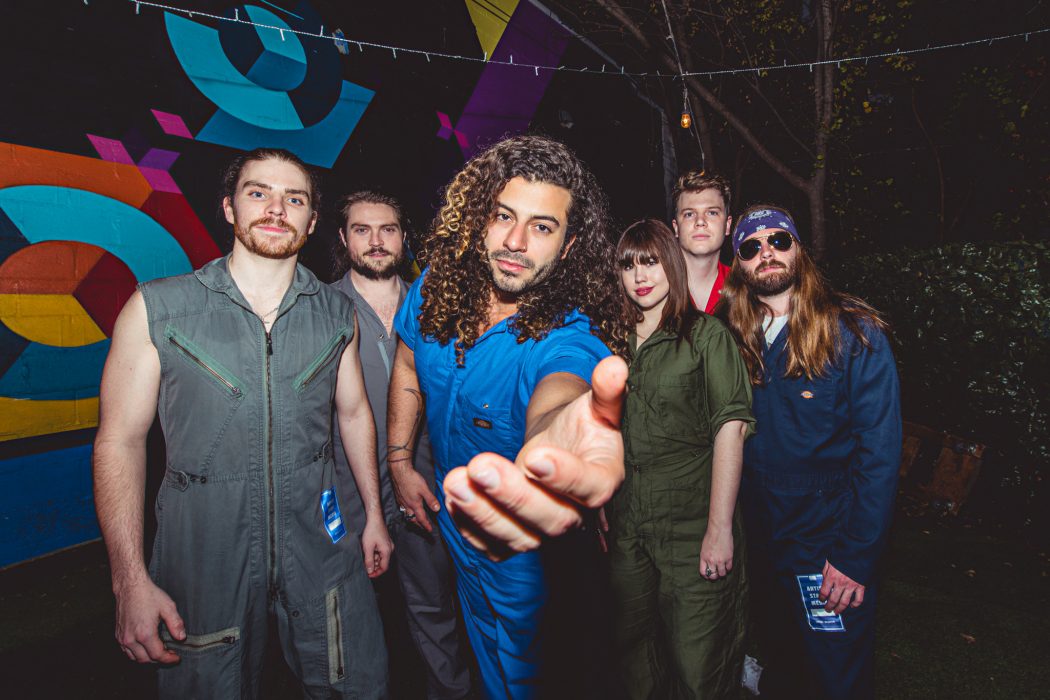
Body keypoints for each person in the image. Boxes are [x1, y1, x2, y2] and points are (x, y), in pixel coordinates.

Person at [92, 148, 392, 699]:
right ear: (230, 208)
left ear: (311, 221)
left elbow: (353, 414)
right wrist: (128, 579)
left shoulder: (335, 313)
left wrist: (373, 514)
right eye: (259, 193)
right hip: (203, 551)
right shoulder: (159, 309)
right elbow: (120, 441)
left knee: (357, 681)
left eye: (294, 199)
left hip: (321, 542)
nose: (276, 209)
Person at [386, 134, 630, 699]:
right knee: (485, 660)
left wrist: (558, 440)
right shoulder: (435, 288)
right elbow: (407, 362)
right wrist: (399, 458)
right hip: (455, 528)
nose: (515, 242)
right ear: (479, 218)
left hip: (525, 554)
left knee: (534, 679)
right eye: (503, 216)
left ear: (568, 246)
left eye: (542, 227)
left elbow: (562, 393)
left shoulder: (568, 336)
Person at [718, 205, 901, 699]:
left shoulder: (854, 332)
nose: (767, 253)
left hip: (827, 543)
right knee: (784, 664)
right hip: (761, 539)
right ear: (739, 264)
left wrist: (855, 557)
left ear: (799, 249)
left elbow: (880, 455)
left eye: (779, 240)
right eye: (751, 247)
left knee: (834, 673)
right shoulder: (734, 337)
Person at [330, 190, 471, 699]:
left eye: (387, 229)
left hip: (424, 480)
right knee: (347, 615)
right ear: (343, 238)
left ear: (403, 237)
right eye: (362, 230)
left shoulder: (436, 306)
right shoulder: (320, 308)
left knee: (434, 606)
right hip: (347, 485)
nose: (376, 240)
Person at [605, 219, 753, 699]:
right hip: (628, 525)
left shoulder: (706, 336)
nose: (639, 276)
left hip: (693, 525)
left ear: (671, 263)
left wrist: (719, 529)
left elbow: (731, 429)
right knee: (633, 659)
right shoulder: (610, 342)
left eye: (650, 262)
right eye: (628, 265)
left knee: (698, 664)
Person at [671, 171, 733, 313]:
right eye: (689, 214)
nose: (700, 221)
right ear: (676, 228)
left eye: (712, 213)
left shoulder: (744, 287)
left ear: (727, 225)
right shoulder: (655, 285)